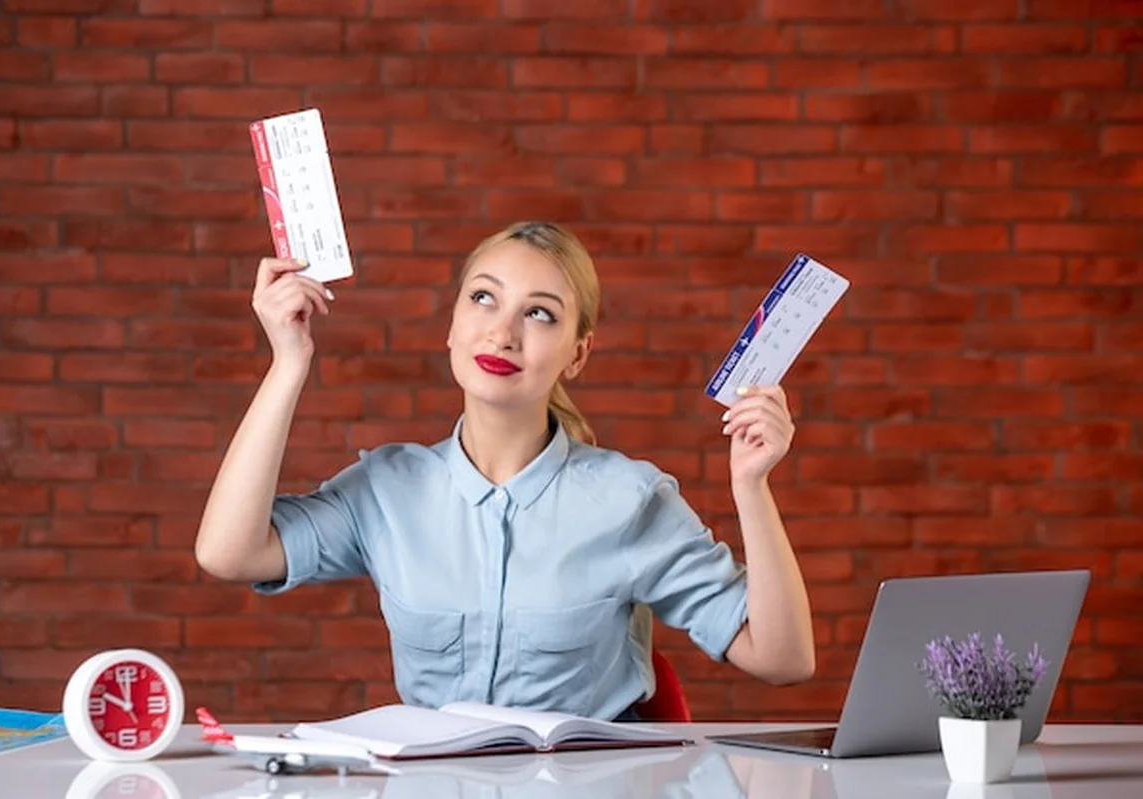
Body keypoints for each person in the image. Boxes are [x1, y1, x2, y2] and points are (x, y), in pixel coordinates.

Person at [194, 221, 815, 722]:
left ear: (578, 353)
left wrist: (751, 486)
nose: (502, 332)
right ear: (453, 325)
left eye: (539, 313)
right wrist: (288, 363)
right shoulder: (388, 490)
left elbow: (783, 658)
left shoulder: (629, 500)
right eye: (483, 298)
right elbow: (230, 553)